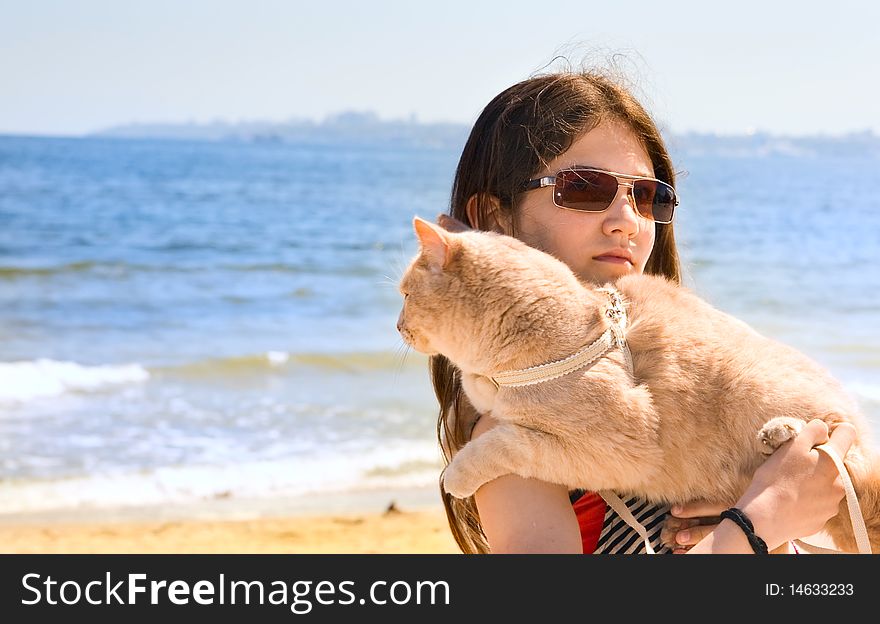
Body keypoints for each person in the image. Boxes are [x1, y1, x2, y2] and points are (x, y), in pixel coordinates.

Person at [429, 69, 855, 554]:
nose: (626, 221)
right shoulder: (516, 435)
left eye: (645, 195)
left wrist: (782, 517)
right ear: (491, 219)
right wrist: (758, 522)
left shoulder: (685, 384)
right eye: (585, 188)